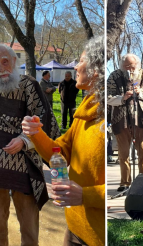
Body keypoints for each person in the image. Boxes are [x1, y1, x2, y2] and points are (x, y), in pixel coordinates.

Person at [0, 44, 59, 245]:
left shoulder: (29, 85)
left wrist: (24, 140)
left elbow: (44, 119)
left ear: (14, 61)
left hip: (25, 167)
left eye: (5, 61)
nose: (1, 67)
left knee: (29, 228)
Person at [21, 36, 105, 246]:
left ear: (96, 70)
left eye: (81, 61)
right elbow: (58, 152)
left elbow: (123, 189)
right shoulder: (85, 112)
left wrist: (86, 195)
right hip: (74, 228)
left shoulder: (107, 119)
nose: (76, 66)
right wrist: (36, 133)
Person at [107, 53, 143, 192]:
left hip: (139, 118)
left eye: (132, 66)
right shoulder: (114, 76)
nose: (130, 69)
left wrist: (140, 92)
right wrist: (122, 97)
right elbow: (108, 96)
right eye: (127, 66)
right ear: (122, 65)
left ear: (137, 64)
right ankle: (125, 183)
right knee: (123, 154)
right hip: (121, 119)